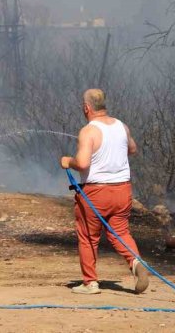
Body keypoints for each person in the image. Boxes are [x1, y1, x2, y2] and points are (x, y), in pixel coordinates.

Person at [60, 88, 150, 295]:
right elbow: (133, 149)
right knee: (120, 231)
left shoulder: (88, 131)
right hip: (122, 190)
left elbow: (82, 163)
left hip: (95, 192)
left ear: (86, 107)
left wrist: (67, 161)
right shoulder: (121, 126)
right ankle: (135, 262)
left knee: (88, 237)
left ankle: (90, 282)